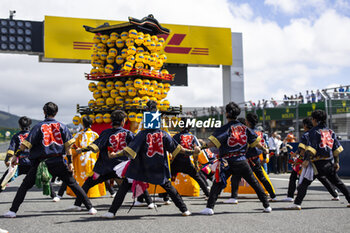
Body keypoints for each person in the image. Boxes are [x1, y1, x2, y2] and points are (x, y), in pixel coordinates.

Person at [101, 100, 197, 218]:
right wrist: (192, 152)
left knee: (124, 187)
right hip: (158, 167)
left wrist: (115, 155)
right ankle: (184, 210)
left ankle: (111, 212)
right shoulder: (163, 134)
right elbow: (178, 149)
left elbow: (129, 150)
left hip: (140, 167)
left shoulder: (141, 134)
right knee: (168, 187)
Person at [3, 102, 96, 218]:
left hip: (42, 163)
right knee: (73, 184)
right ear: (56, 113)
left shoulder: (38, 127)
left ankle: (13, 211)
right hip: (58, 161)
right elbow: (68, 147)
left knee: (25, 186)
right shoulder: (63, 126)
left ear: (44, 112)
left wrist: (16, 155)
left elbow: (25, 144)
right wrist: (70, 163)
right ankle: (90, 207)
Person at [67, 110, 155, 211]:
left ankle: (77, 204)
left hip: (105, 167)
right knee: (137, 178)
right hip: (122, 167)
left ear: (111, 121)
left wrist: (81, 150)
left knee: (88, 183)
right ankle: (150, 203)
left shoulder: (106, 133)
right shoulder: (128, 134)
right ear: (123, 121)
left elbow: (95, 146)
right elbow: (136, 147)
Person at [199, 102, 272, 215]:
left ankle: (210, 208)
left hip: (228, 161)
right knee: (254, 182)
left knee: (217, 183)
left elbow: (212, 143)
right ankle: (267, 206)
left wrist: (201, 147)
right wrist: (264, 149)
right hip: (242, 160)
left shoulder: (226, 128)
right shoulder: (244, 128)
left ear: (227, 113)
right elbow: (256, 142)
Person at [286, 110, 350, 210]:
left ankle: (297, 203)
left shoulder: (313, 132)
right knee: (338, 183)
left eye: (312, 119)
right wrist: (337, 162)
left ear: (315, 120)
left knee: (304, 183)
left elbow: (312, 148)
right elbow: (336, 149)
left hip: (317, 163)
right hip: (329, 162)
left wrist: (306, 160)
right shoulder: (330, 132)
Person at [0, 117, 60, 200]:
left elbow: (11, 150)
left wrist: (7, 160)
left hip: (19, 164)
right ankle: (54, 196)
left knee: (5, 179)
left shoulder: (16, 136)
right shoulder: (34, 135)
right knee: (45, 177)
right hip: (33, 163)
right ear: (30, 125)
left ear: (19, 125)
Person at [283, 117, 339, 202]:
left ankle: (292, 197)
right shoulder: (318, 132)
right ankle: (335, 194)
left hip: (307, 159)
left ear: (305, 125)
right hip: (319, 159)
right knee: (322, 177)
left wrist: (296, 155)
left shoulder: (306, 134)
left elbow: (302, 150)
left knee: (295, 176)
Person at [227, 113, 277, 204]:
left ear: (247, 122)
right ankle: (273, 195)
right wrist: (265, 156)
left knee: (236, 176)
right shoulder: (260, 133)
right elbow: (264, 145)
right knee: (261, 178)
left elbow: (244, 145)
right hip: (256, 158)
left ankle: (234, 197)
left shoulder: (247, 131)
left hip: (246, 159)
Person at [65, 116, 106, 200]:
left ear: (82, 124)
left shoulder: (77, 135)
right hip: (93, 159)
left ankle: (80, 193)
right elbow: (100, 148)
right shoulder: (95, 135)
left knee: (81, 177)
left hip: (80, 160)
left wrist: (69, 159)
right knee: (93, 176)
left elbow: (71, 149)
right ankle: (94, 192)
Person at [169, 120, 210, 197]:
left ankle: (165, 197)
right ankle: (208, 194)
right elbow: (197, 150)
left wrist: (171, 159)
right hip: (187, 162)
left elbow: (172, 149)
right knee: (198, 177)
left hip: (176, 162)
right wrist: (196, 163)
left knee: (169, 179)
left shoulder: (176, 136)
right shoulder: (193, 137)